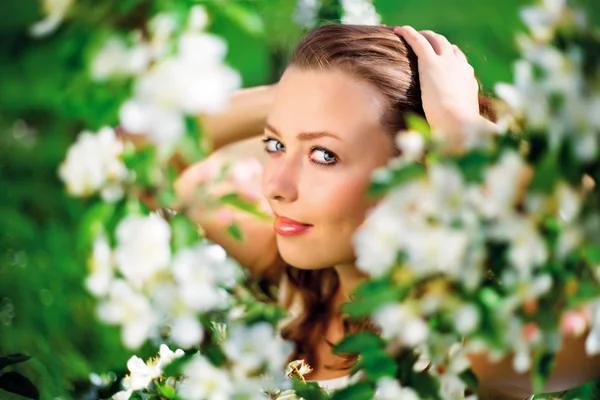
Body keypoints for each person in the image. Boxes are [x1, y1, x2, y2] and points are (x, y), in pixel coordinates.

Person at [171, 24, 600, 399]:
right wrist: (303, 94)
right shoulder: (299, 289)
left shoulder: (462, 347)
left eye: (323, 154)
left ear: (414, 174)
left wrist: (461, 127)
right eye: (276, 145)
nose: (275, 186)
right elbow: (145, 153)